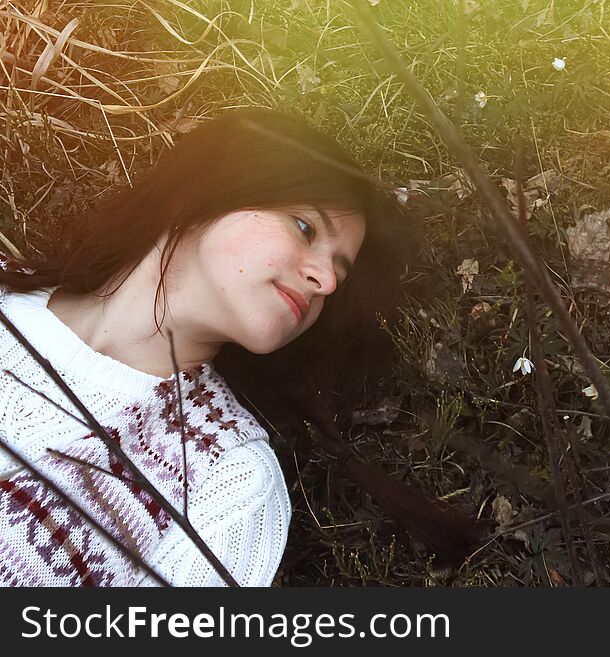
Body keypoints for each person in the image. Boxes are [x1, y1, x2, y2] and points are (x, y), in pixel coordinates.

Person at [0, 108, 473, 587]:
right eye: (305, 228)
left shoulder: (229, 483)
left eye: (339, 273)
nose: (326, 282)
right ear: (209, 187)